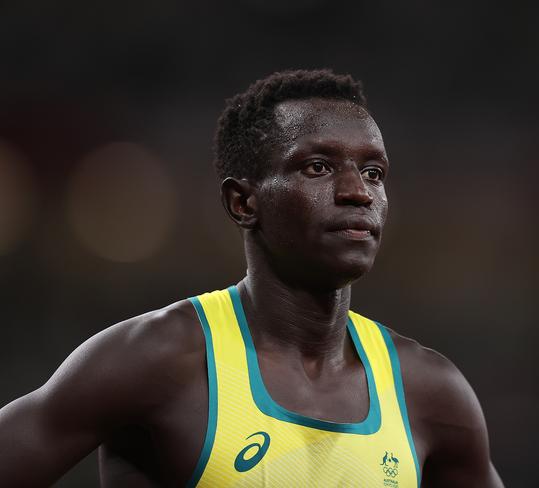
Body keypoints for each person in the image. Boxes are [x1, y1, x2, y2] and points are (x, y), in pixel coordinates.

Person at [0, 69, 504, 487]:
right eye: (318, 167)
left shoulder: (429, 392)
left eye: (374, 172)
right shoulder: (157, 360)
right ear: (243, 202)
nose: (358, 192)